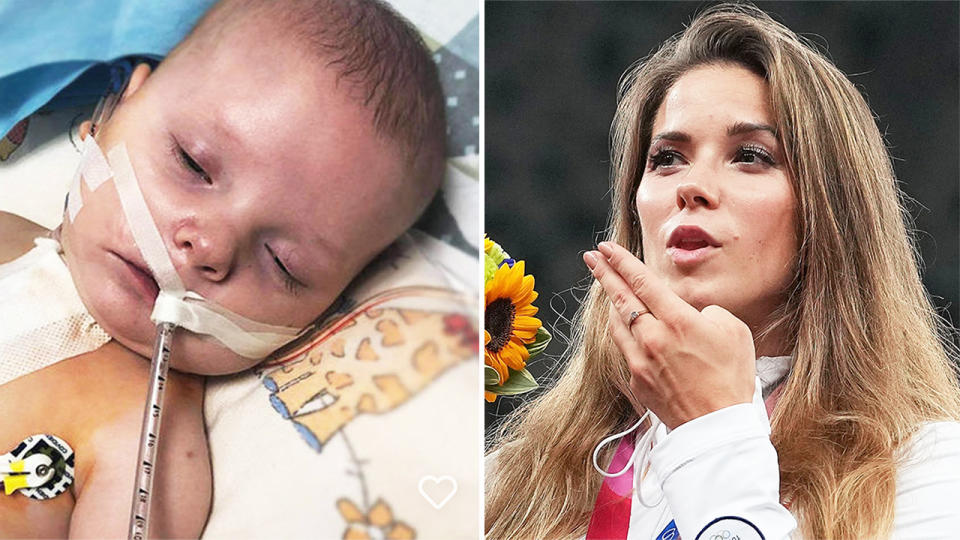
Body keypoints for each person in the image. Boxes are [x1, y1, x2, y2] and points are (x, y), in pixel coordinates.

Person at [485, 4, 960, 539]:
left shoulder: (926, 472)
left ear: (833, 210)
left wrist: (710, 430)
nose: (692, 185)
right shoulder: (519, 483)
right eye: (666, 158)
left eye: (751, 155)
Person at [0, 0, 444, 537]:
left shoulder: (150, 448)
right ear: (117, 108)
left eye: (283, 264)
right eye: (192, 163)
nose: (208, 246)